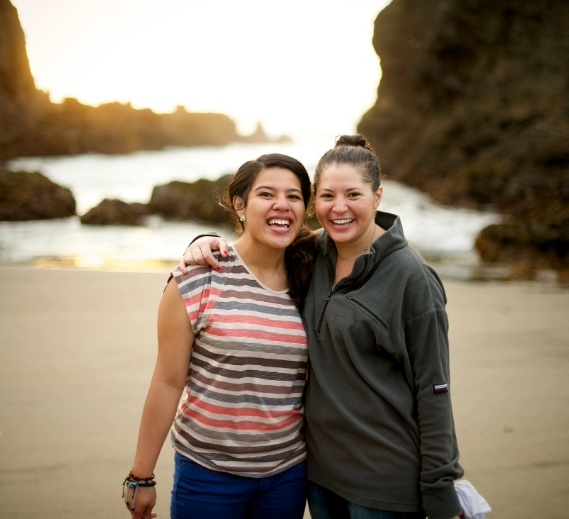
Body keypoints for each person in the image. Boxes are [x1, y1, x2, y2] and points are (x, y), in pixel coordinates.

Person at [182, 135, 465, 519]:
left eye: (353, 195)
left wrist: (440, 488)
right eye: (328, 196)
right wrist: (204, 242)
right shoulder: (310, 253)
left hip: (383, 485)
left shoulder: (411, 278)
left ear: (378, 197)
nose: (339, 207)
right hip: (318, 480)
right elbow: (257, 243)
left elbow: (434, 390)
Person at [124, 153, 317, 519]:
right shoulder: (198, 277)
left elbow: (359, 226)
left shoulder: (315, 275)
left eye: (293, 196)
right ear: (239, 205)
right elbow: (167, 381)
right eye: (267, 194)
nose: (282, 204)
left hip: (287, 475)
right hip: (207, 474)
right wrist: (141, 475)